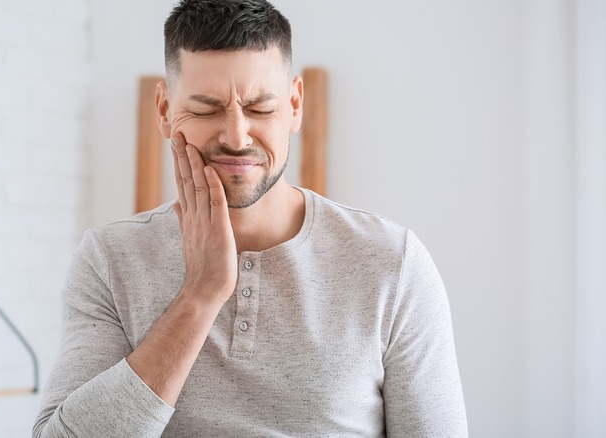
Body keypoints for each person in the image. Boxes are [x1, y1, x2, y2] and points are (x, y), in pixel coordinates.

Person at [33, 0, 468, 436]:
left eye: (261, 108)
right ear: (165, 111)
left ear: (295, 105)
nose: (237, 136)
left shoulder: (392, 262)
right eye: (205, 109)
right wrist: (201, 293)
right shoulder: (110, 259)